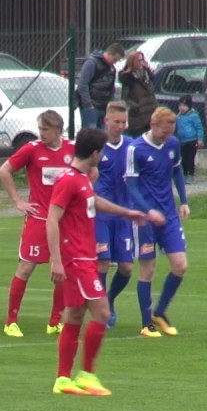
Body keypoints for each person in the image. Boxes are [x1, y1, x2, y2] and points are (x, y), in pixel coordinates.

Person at [47, 127, 159, 395]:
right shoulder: (70, 180)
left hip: (83, 256)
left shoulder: (82, 178)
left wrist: (127, 213)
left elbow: (93, 202)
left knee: (74, 315)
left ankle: (63, 379)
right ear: (95, 153)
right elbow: (52, 218)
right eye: (102, 152)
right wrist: (56, 260)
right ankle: (87, 375)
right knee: (102, 312)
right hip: (77, 259)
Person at [0, 110, 75, 337]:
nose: (41, 134)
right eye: (40, 129)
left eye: (46, 130)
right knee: (26, 267)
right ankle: (10, 321)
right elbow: (5, 170)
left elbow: (91, 171)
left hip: (64, 221)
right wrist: (18, 201)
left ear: (58, 130)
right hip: (39, 219)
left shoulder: (72, 149)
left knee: (62, 271)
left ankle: (55, 321)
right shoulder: (32, 149)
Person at [128, 106, 191, 339]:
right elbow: (131, 187)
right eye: (164, 133)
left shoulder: (173, 144)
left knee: (180, 265)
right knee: (148, 269)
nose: (167, 137)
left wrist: (183, 201)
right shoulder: (136, 149)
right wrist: (147, 211)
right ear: (153, 125)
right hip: (145, 219)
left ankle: (160, 312)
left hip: (169, 216)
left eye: (170, 133)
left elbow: (177, 172)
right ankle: (146, 324)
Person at [93, 101, 136, 329]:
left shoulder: (131, 147)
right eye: (116, 122)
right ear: (106, 121)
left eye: (123, 122)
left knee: (127, 268)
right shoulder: (97, 148)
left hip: (124, 216)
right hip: (100, 215)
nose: (120, 126)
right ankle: (102, 310)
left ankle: (109, 299)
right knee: (102, 262)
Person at [75, 43, 124, 129]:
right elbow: (82, 84)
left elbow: (111, 88)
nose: (115, 62)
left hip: (104, 107)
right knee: (91, 134)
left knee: (103, 135)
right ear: (110, 54)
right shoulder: (91, 63)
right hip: (91, 106)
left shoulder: (112, 69)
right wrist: (88, 104)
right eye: (115, 59)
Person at [118, 50, 157, 137]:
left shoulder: (146, 75)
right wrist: (136, 107)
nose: (141, 63)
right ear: (133, 62)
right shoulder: (129, 78)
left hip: (150, 115)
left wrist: (148, 69)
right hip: (138, 118)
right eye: (138, 60)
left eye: (142, 60)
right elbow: (125, 98)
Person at [174, 96, 204, 182]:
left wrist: (200, 139)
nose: (181, 108)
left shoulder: (194, 116)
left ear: (189, 106)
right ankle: (184, 174)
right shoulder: (178, 117)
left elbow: (199, 128)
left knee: (190, 158)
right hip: (182, 141)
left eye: (184, 106)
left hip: (192, 141)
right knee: (183, 159)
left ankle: (191, 175)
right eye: (180, 106)